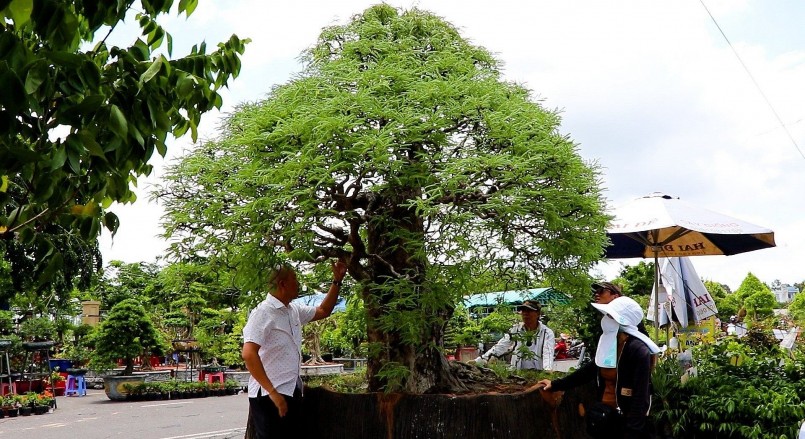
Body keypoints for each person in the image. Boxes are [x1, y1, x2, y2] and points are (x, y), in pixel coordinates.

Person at [242, 260, 347, 438]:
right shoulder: (263, 313)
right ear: (283, 284)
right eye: (295, 279)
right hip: (270, 395)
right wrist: (273, 393)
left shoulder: (293, 310)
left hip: (290, 390)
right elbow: (248, 353)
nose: (298, 283)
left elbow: (323, 310)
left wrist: (337, 281)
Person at [537, 296, 660, 439]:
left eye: (610, 315)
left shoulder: (637, 350)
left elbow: (641, 395)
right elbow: (588, 371)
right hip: (606, 420)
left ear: (621, 320)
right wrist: (555, 384)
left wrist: (633, 431)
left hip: (627, 424)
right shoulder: (609, 344)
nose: (605, 319)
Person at [473, 300, 555, 371]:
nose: (525, 314)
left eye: (529, 311)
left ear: (538, 314)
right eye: (523, 311)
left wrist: (547, 370)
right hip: (517, 373)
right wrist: (480, 360)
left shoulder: (547, 333)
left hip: (538, 374)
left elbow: (548, 353)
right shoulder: (516, 329)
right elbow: (501, 346)